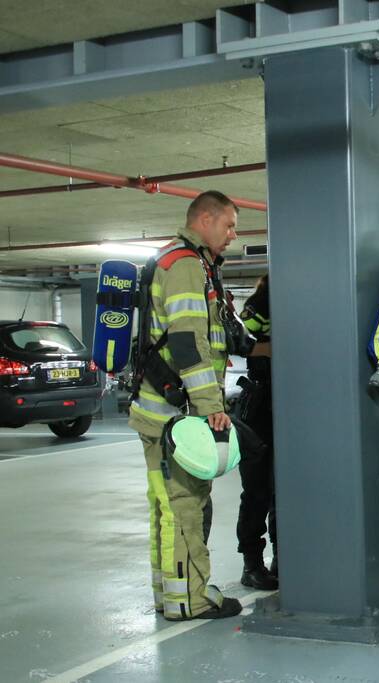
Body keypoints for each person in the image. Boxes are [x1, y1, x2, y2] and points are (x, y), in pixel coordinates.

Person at [128, 190, 241, 621]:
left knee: (166, 505)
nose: (232, 234)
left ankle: (170, 592)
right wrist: (211, 404)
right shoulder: (187, 265)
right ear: (205, 219)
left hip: (156, 411)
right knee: (185, 507)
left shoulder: (173, 259)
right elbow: (188, 342)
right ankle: (189, 599)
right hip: (176, 414)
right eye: (228, 224)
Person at [234, 274, 278, 589]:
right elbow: (240, 346)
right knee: (257, 490)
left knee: (282, 491)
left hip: (287, 404)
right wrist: (274, 349)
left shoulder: (298, 303)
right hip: (259, 405)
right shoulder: (258, 305)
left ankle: (284, 557)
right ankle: (252, 564)